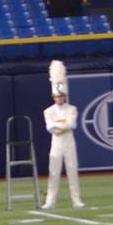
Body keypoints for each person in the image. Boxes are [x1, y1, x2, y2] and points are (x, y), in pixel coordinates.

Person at [43, 62, 84, 209]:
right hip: (56, 145)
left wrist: (58, 126)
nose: (59, 98)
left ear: (65, 97)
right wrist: (62, 126)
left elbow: (71, 124)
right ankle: (50, 201)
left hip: (69, 144)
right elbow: (49, 127)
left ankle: (76, 200)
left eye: (61, 96)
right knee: (53, 173)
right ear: (54, 97)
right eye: (57, 96)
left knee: (72, 171)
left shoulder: (72, 109)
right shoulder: (48, 111)